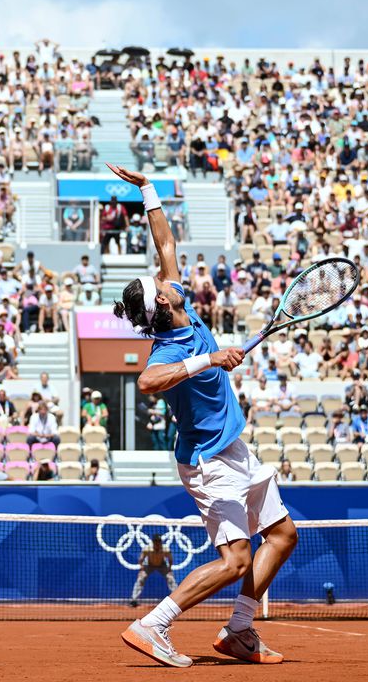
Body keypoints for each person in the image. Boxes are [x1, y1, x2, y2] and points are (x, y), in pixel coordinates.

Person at [108, 163, 296, 667]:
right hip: (208, 461)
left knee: (282, 536)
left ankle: (238, 630)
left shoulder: (178, 303)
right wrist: (209, 359)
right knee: (235, 560)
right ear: (163, 305)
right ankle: (153, 624)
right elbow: (147, 383)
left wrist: (147, 189)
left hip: (237, 448)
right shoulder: (167, 350)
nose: (166, 277)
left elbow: (164, 244)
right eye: (161, 285)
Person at [129, 534, 178, 608]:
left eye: (159, 541)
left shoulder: (165, 549)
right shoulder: (147, 548)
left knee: (170, 578)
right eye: (156, 541)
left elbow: (170, 559)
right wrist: (142, 569)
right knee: (141, 578)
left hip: (162, 565)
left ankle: (177, 599)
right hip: (149, 565)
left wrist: (169, 569)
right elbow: (141, 559)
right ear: (153, 542)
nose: (158, 543)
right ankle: (133, 600)